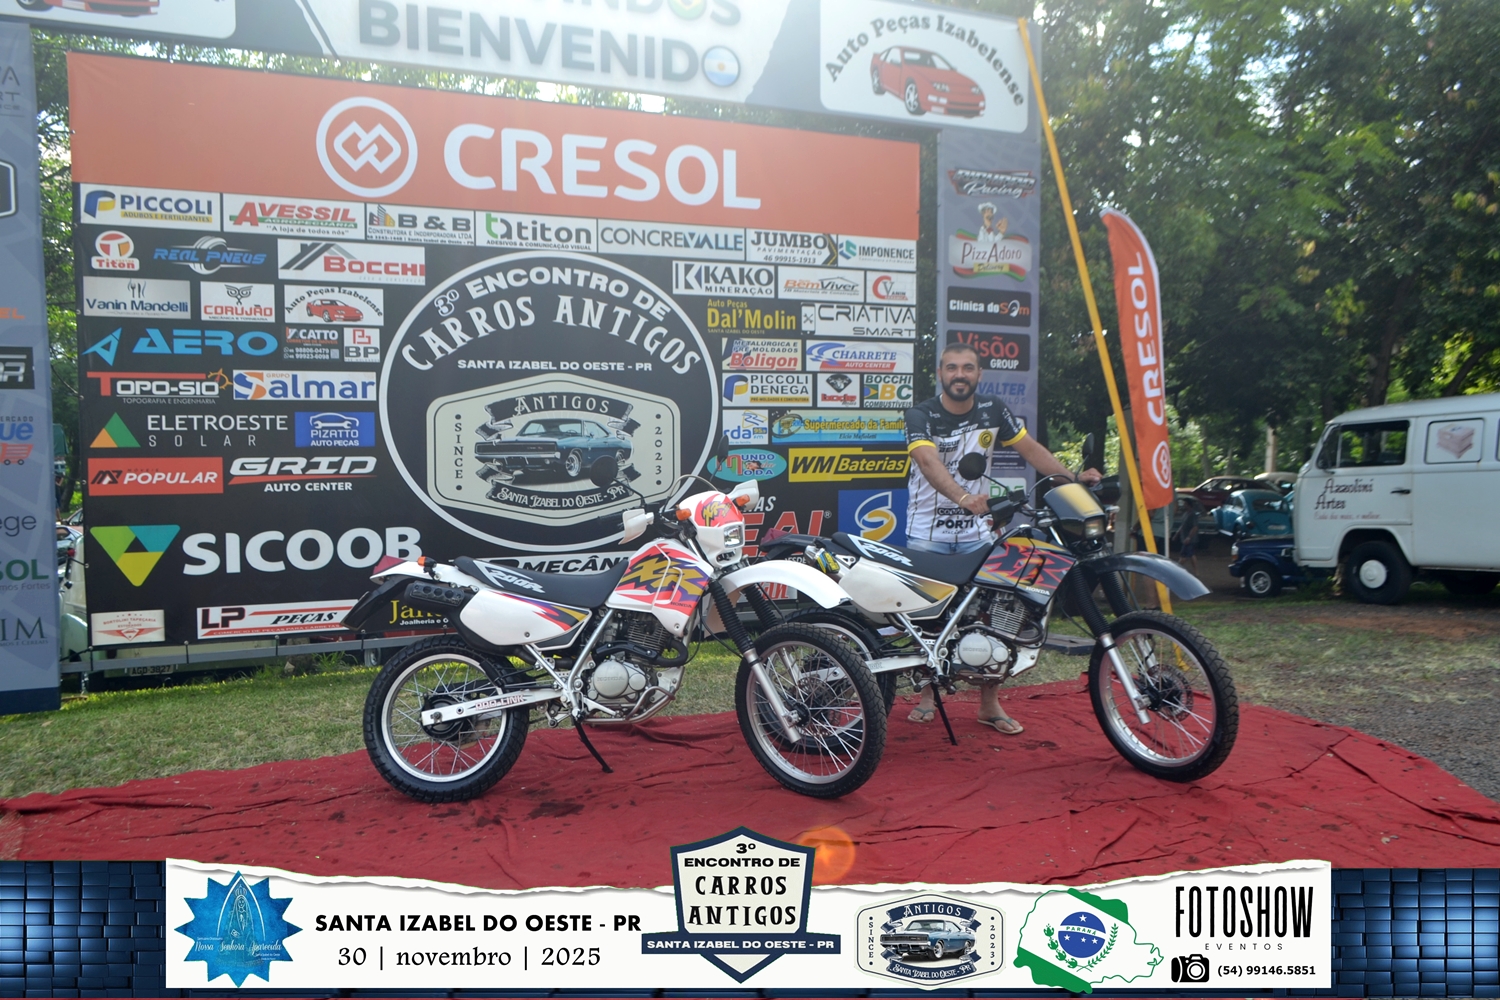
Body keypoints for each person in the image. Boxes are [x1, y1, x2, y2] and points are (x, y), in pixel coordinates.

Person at [903, 342, 1101, 734]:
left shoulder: (993, 409)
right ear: (940, 374)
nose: (959, 374)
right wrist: (963, 498)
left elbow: (1031, 450)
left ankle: (989, 704)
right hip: (927, 533)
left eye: (968, 368)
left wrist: (1073, 480)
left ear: (979, 374)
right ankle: (928, 696)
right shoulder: (921, 413)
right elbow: (927, 460)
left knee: (994, 619)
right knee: (927, 620)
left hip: (979, 531)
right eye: (951, 368)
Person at [1175, 508, 1200, 575]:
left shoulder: (1192, 515)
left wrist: (1189, 537)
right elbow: (1182, 525)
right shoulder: (1186, 514)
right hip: (1186, 538)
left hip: (1189, 539)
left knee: (1186, 555)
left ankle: (1177, 568)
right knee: (1190, 554)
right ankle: (1195, 571)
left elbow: (1195, 527)